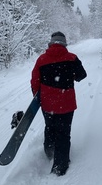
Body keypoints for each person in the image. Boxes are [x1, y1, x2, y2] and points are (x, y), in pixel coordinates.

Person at [30, 31, 87, 176]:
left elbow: (35, 81)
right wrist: (71, 76)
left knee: (50, 127)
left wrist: (38, 97)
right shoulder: (72, 58)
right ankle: (60, 166)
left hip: (48, 104)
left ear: (51, 43)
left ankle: (49, 152)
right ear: (64, 43)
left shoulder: (41, 59)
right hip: (66, 103)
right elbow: (82, 75)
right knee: (64, 132)